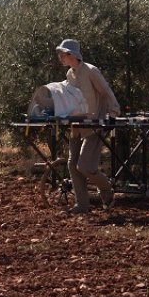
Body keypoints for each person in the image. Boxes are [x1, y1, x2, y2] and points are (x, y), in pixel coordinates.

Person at [55, 39, 121, 214]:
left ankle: (106, 190)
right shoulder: (70, 74)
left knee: (84, 166)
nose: (60, 57)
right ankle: (82, 205)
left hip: (94, 125)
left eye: (63, 54)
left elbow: (106, 92)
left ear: (71, 54)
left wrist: (113, 114)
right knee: (72, 165)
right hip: (76, 125)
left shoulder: (91, 71)